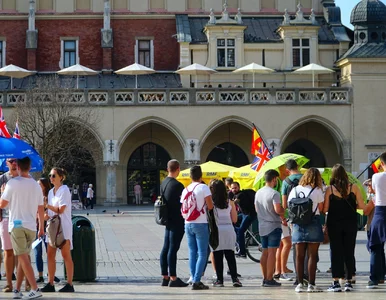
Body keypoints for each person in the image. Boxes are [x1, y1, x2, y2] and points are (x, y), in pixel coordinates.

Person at [0, 157, 44, 299]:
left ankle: (35, 289)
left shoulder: (12, 183)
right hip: (31, 226)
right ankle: (17, 290)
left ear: (18, 167)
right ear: (29, 167)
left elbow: (2, 204)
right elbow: (41, 207)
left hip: (17, 224)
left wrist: (2, 192)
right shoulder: (36, 185)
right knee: (23, 256)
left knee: (22, 257)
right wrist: (41, 226)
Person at [323, 164, 368, 292]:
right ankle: (349, 281)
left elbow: (325, 209)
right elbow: (361, 206)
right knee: (349, 251)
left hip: (334, 224)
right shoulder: (354, 187)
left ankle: (336, 282)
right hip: (350, 224)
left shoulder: (330, 189)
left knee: (336, 252)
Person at [288, 168, 324, 293]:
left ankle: (299, 284)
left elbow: (289, 206)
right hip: (313, 221)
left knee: (299, 255)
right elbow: (322, 207)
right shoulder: (318, 190)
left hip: (298, 224)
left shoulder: (295, 189)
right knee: (312, 256)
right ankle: (311, 284)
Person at [41, 168, 75, 293]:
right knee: (50, 254)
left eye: (53, 175)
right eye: (50, 175)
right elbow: (51, 211)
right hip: (52, 226)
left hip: (63, 226)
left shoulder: (65, 190)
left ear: (61, 177)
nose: (51, 177)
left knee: (66, 255)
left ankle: (70, 283)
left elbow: (61, 209)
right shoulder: (51, 192)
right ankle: (50, 282)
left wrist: (47, 206)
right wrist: (46, 214)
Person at [181, 166, 213, 290]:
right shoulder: (203, 187)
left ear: (190, 176)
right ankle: (197, 280)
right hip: (200, 223)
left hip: (187, 223)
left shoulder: (186, 189)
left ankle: (193, 276)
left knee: (192, 252)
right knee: (202, 253)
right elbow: (210, 206)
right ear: (201, 175)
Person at [159, 159, 188, 288]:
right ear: (178, 169)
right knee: (173, 249)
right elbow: (183, 204)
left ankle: (165, 276)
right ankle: (174, 278)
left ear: (167, 169)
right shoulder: (177, 185)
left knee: (166, 247)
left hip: (167, 219)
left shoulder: (163, 183)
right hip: (177, 220)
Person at [254, 169, 284, 287]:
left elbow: (256, 209)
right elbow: (277, 210)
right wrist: (284, 210)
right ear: (274, 179)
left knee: (265, 252)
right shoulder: (274, 193)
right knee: (272, 252)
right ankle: (269, 278)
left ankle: (264, 277)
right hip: (273, 225)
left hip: (262, 225)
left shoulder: (258, 192)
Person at [210, 179, 242, 288]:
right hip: (229, 230)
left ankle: (220, 280)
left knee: (217, 255)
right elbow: (234, 219)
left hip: (217, 230)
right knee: (230, 256)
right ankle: (235, 279)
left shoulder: (211, 203)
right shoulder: (230, 202)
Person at [277, 159, 302, 281]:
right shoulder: (305, 178)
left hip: (289, 217)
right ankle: (302, 273)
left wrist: (283, 216)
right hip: (305, 215)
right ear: (297, 166)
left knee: (286, 244)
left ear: (287, 170)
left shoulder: (286, 182)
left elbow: (284, 203)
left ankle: (281, 271)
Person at [365, 152, 386, 289]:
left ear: (382, 164)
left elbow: (376, 192)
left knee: (375, 246)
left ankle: (375, 277)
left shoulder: (376, 176)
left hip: (380, 211)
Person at [0, 158, 18, 293]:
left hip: (19, 219)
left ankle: (23, 282)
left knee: (21, 252)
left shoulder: (22, 178)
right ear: (7, 163)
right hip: (6, 218)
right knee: (8, 252)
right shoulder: (2, 179)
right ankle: (9, 283)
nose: (14, 163)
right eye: (11, 161)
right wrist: (3, 193)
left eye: (16, 160)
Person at [233, 187, 257, 258]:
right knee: (234, 221)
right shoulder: (236, 194)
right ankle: (239, 242)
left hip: (249, 215)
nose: (234, 189)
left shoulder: (240, 195)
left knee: (240, 232)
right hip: (244, 214)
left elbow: (235, 202)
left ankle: (243, 252)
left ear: (238, 187)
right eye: (232, 188)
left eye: (235, 188)